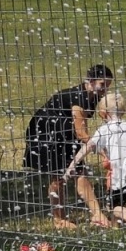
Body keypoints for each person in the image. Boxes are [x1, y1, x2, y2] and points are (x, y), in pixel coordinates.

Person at [23, 64, 114, 229]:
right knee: (58, 177)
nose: (105, 90)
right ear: (90, 81)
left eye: (107, 86)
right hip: (46, 134)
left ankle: (98, 214)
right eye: (102, 85)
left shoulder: (91, 96)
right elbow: (81, 133)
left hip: (64, 133)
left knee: (79, 171)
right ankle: (59, 220)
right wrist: (102, 150)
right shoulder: (79, 98)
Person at [63, 91, 126, 242]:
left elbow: (88, 147)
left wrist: (73, 164)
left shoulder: (105, 130)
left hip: (121, 177)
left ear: (102, 113)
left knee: (115, 207)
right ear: (123, 111)